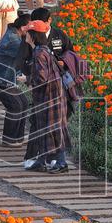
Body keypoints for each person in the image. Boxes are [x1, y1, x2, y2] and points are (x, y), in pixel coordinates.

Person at [24, 26, 71, 173]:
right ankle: (41, 161)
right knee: (47, 128)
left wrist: (27, 79)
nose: (25, 34)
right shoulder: (45, 49)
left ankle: (62, 163)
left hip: (49, 96)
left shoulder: (39, 53)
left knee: (52, 128)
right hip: (55, 94)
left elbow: (42, 78)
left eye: (28, 32)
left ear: (33, 36)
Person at [0, 14, 31, 146]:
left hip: (6, 78)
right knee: (15, 106)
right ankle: (9, 139)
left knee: (23, 103)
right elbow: (28, 57)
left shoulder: (14, 35)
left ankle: (17, 138)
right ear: (24, 28)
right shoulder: (14, 41)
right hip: (0, 80)